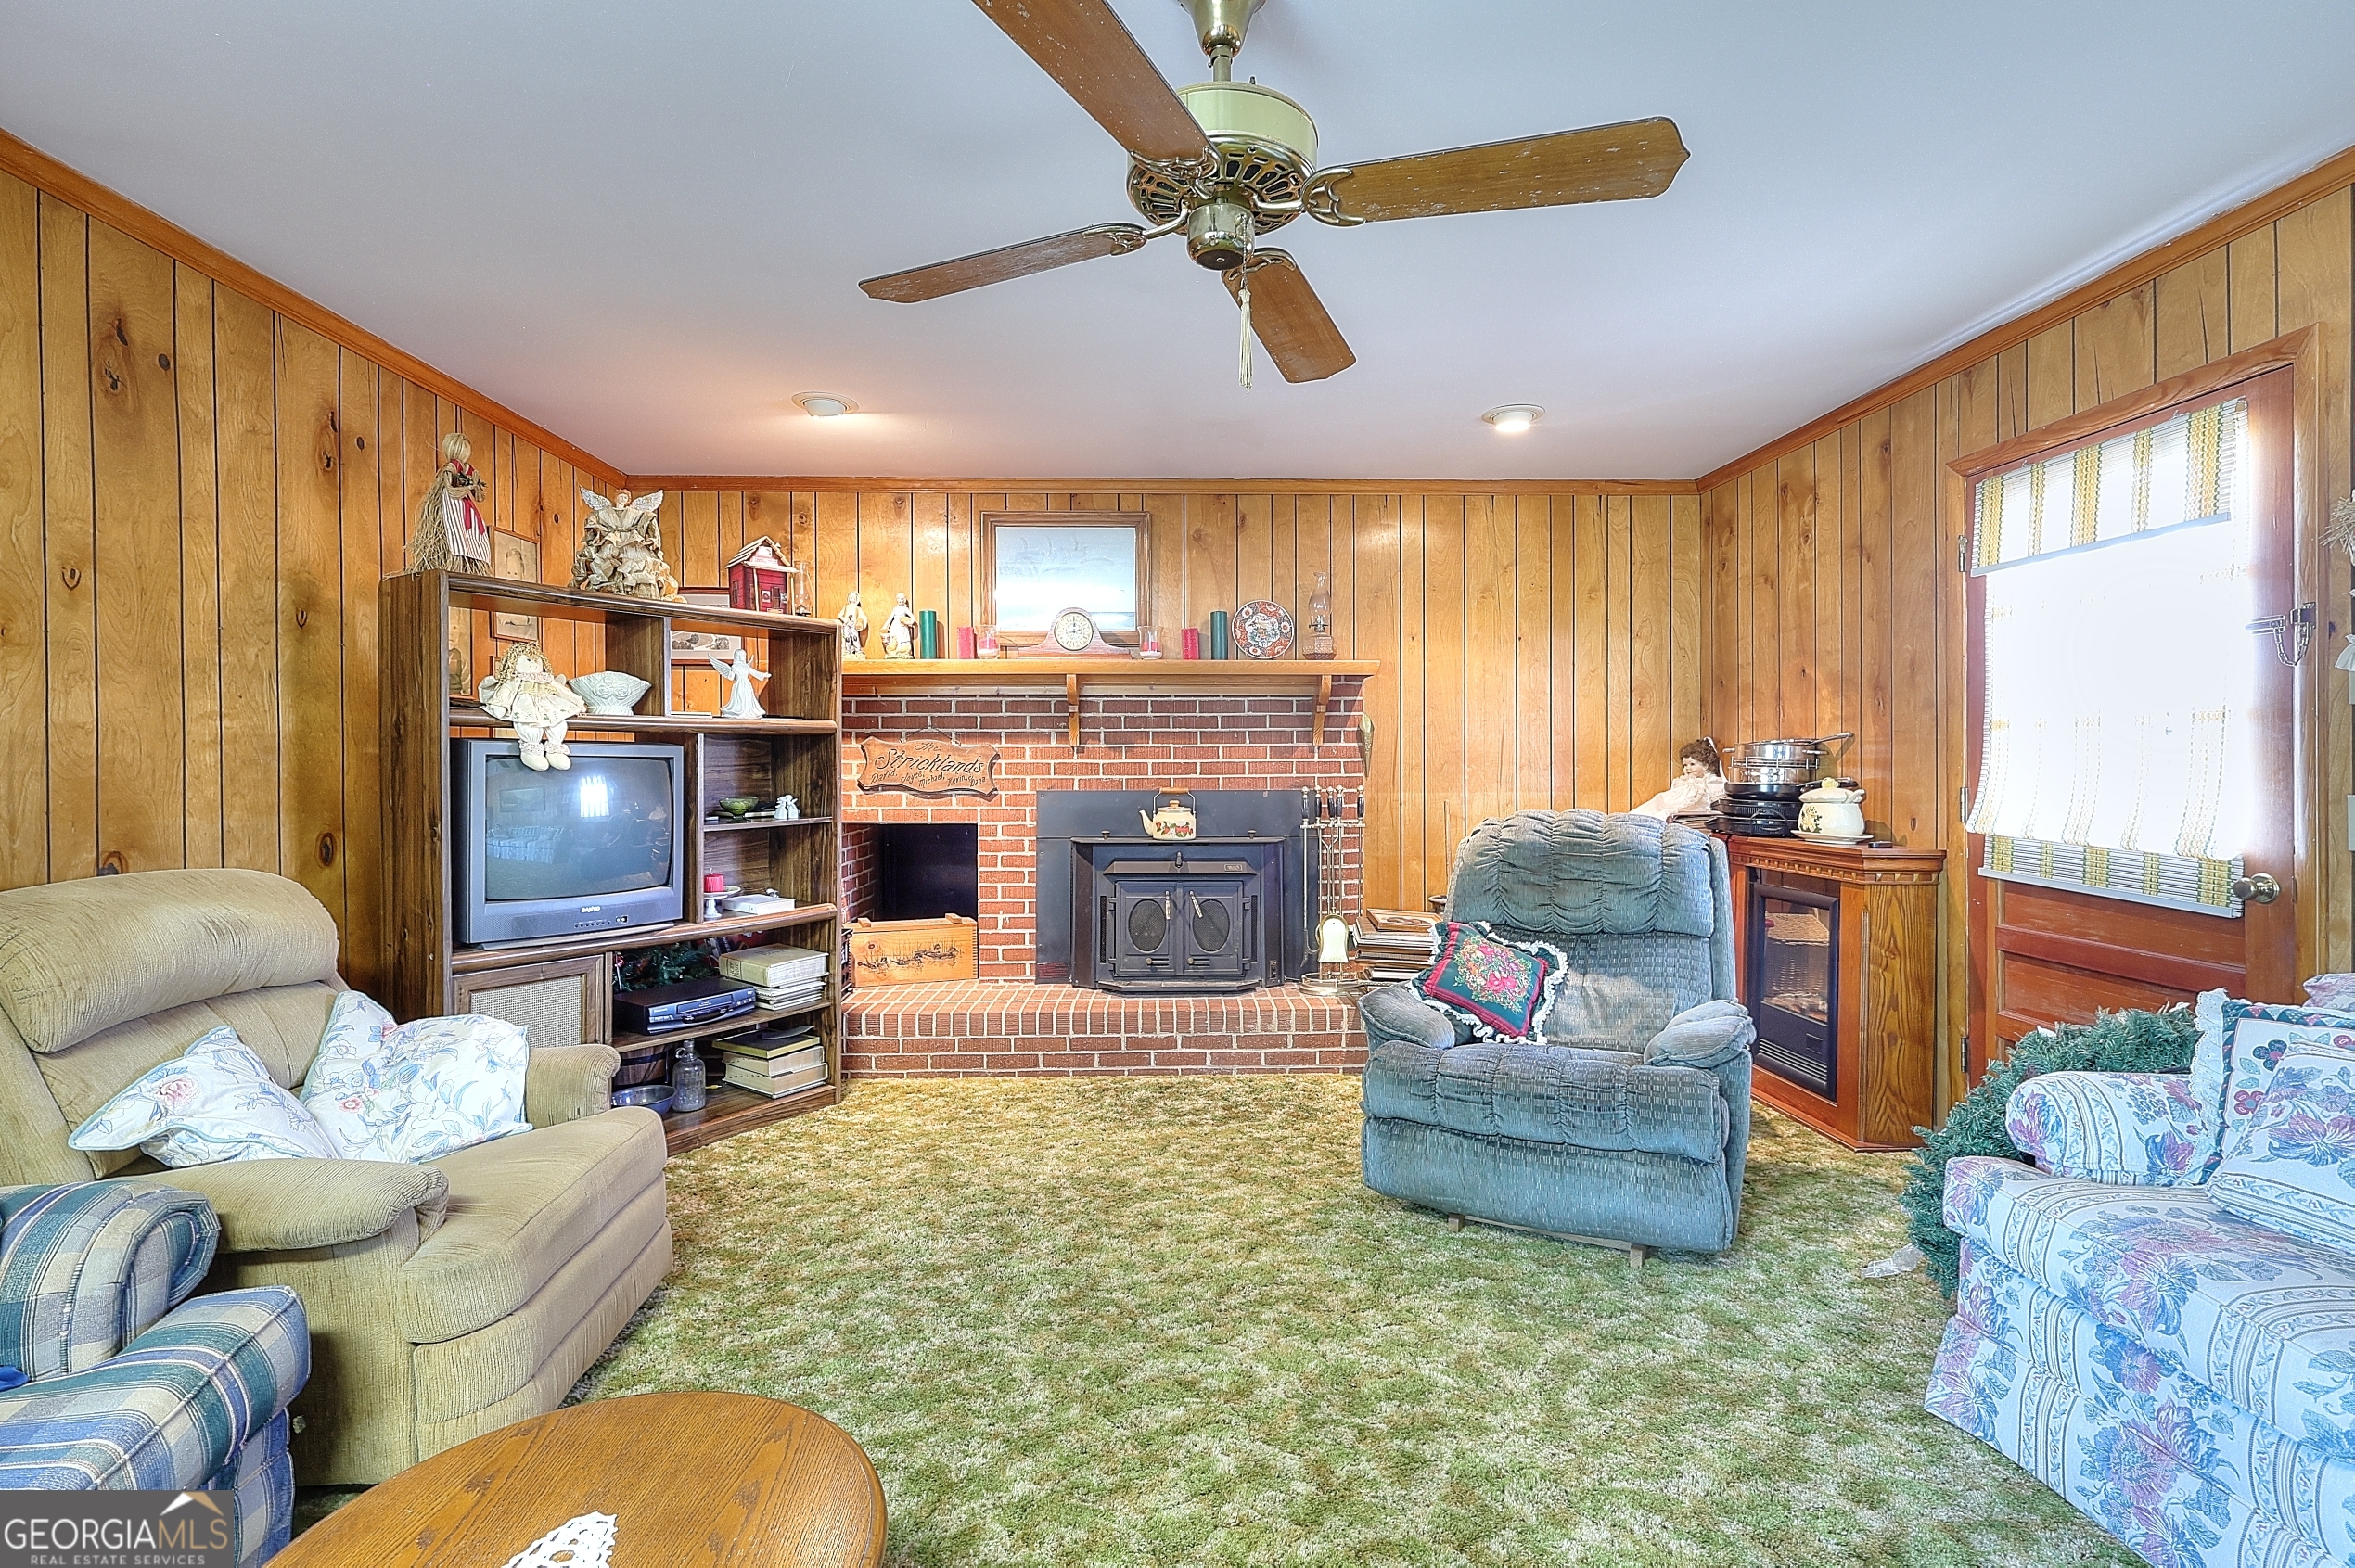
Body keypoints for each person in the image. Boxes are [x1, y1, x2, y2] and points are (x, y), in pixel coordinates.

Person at [1632, 737, 1726, 821]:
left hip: (1693, 813)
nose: (1688, 768)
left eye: (1692, 764)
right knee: (1658, 801)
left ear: (1705, 766)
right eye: (1685, 765)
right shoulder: (1683, 781)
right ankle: (1636, 817)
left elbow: (1717, 800)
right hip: (1673, 806)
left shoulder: (1709, 782)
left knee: (1665, 812)